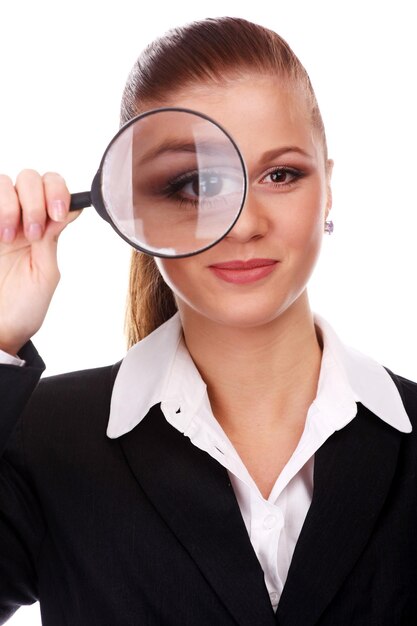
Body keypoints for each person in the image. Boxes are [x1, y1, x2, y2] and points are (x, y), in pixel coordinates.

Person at [0, 16, 416, 626]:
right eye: (194, 183)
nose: (245, 223)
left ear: (327, 190)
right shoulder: (40, 438)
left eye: (281, 175)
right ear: (134, 209)